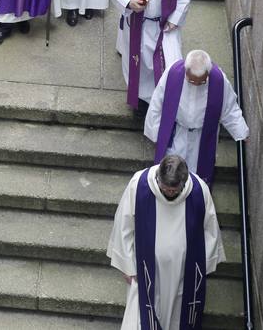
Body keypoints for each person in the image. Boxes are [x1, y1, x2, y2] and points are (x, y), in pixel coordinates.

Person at [107, 154, 225, 330]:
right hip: (147, 271)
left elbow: (210, 229)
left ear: (183, 182)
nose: (170, 193)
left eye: (174, 190)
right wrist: (126, 263)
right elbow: (124, 223)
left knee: (178, 319)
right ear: (158, 178)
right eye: (166, 188)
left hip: (183, 274)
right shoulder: (139, 184)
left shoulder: (199, 190)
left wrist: (200, 268)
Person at [106, 0, 193, 109]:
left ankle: (165, 102)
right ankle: (141, 101)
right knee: (140, 66)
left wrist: (175, 18)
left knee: (170, 64)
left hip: (166, 25)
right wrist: (128, 2)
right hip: (139, 23)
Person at [145, 50, 249, 187]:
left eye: (201, 82)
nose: (195, 84)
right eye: (191, 80)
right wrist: (156, 133)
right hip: (176, 133)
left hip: (202, 137)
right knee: (170, 171)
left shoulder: (219, 80)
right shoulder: (173, 74)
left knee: (196, 176)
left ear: (208, 73)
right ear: (186, 70)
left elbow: (230, 109)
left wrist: (241, 132)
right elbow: (157, 102)